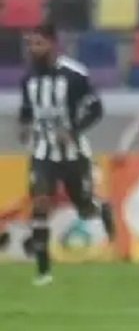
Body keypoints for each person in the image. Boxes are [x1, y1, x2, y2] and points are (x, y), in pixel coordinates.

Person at [17, 23, 115, 286]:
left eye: (38, 43)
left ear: (51, 43)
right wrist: (24, 128)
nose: (33, 49)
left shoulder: (74, 75)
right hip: (43, 152)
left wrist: (73, 130)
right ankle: (43, 271)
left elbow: (96, 109)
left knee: (84, 207)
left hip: (73, 153)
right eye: (30, 44)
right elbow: (27, 110)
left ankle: (101, 208)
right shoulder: (29, 79)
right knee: (40, 202)